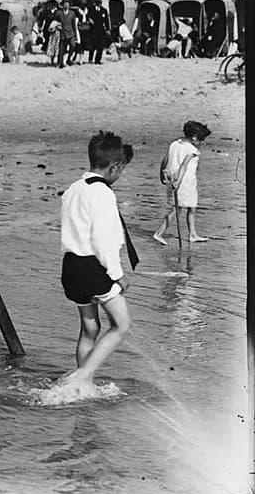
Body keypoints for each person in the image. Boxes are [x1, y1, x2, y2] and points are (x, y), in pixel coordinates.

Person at [56, 130, 136, 392]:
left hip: (71, 266)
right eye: (121, 169)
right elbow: (103, 240)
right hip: (93, 266)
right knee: (121, 324)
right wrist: (116, 273)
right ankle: (82, 376)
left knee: (90, 327)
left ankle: (84, 386)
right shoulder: (102, 193)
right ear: (114, 166)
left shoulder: (73, 189)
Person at [153, 120, 211, 245]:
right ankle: (159, 233)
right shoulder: (192, 150)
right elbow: (184, 166)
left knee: (192, 207)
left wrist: (161, 175)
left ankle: (193, 234)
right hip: (183, 182)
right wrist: (178, 182)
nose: (202, 142)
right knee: (177, 209)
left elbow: (165, 160)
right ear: (195, 137)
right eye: (201, 140)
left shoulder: (174, 144)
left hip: (174, 180)